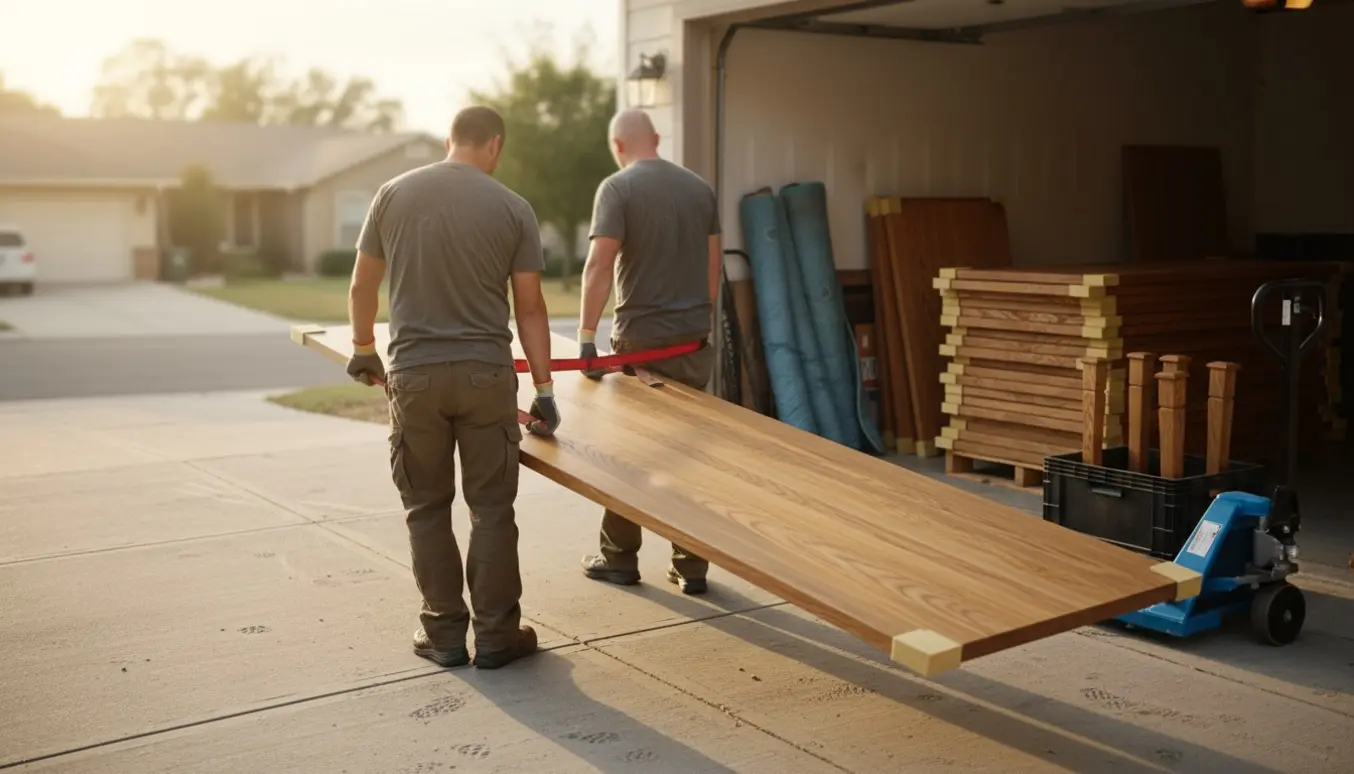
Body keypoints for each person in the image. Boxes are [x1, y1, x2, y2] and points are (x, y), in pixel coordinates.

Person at [345, 105, 560, 670]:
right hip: (486, 378)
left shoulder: (392, 194)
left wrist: (363, 347)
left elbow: (363, 285)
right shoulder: (512, 207)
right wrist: (544, 390)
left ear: (449, 140)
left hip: (414, 378)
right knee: (491, 509)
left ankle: (442, 633)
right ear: (494, 144)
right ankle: (496, 636)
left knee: (425, 506)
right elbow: (530, 307)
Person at [576, 108, 723, 595]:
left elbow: (599, 265)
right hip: (693, 343)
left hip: (640, 343)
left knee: (631, 455)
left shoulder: (617, 188)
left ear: (617, 145)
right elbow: (713, 265)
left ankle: (619, 558)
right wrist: (698, 323)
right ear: (656, 138)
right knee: (690, 455)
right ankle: (691, 566)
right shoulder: (700, 190)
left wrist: (586, 336)